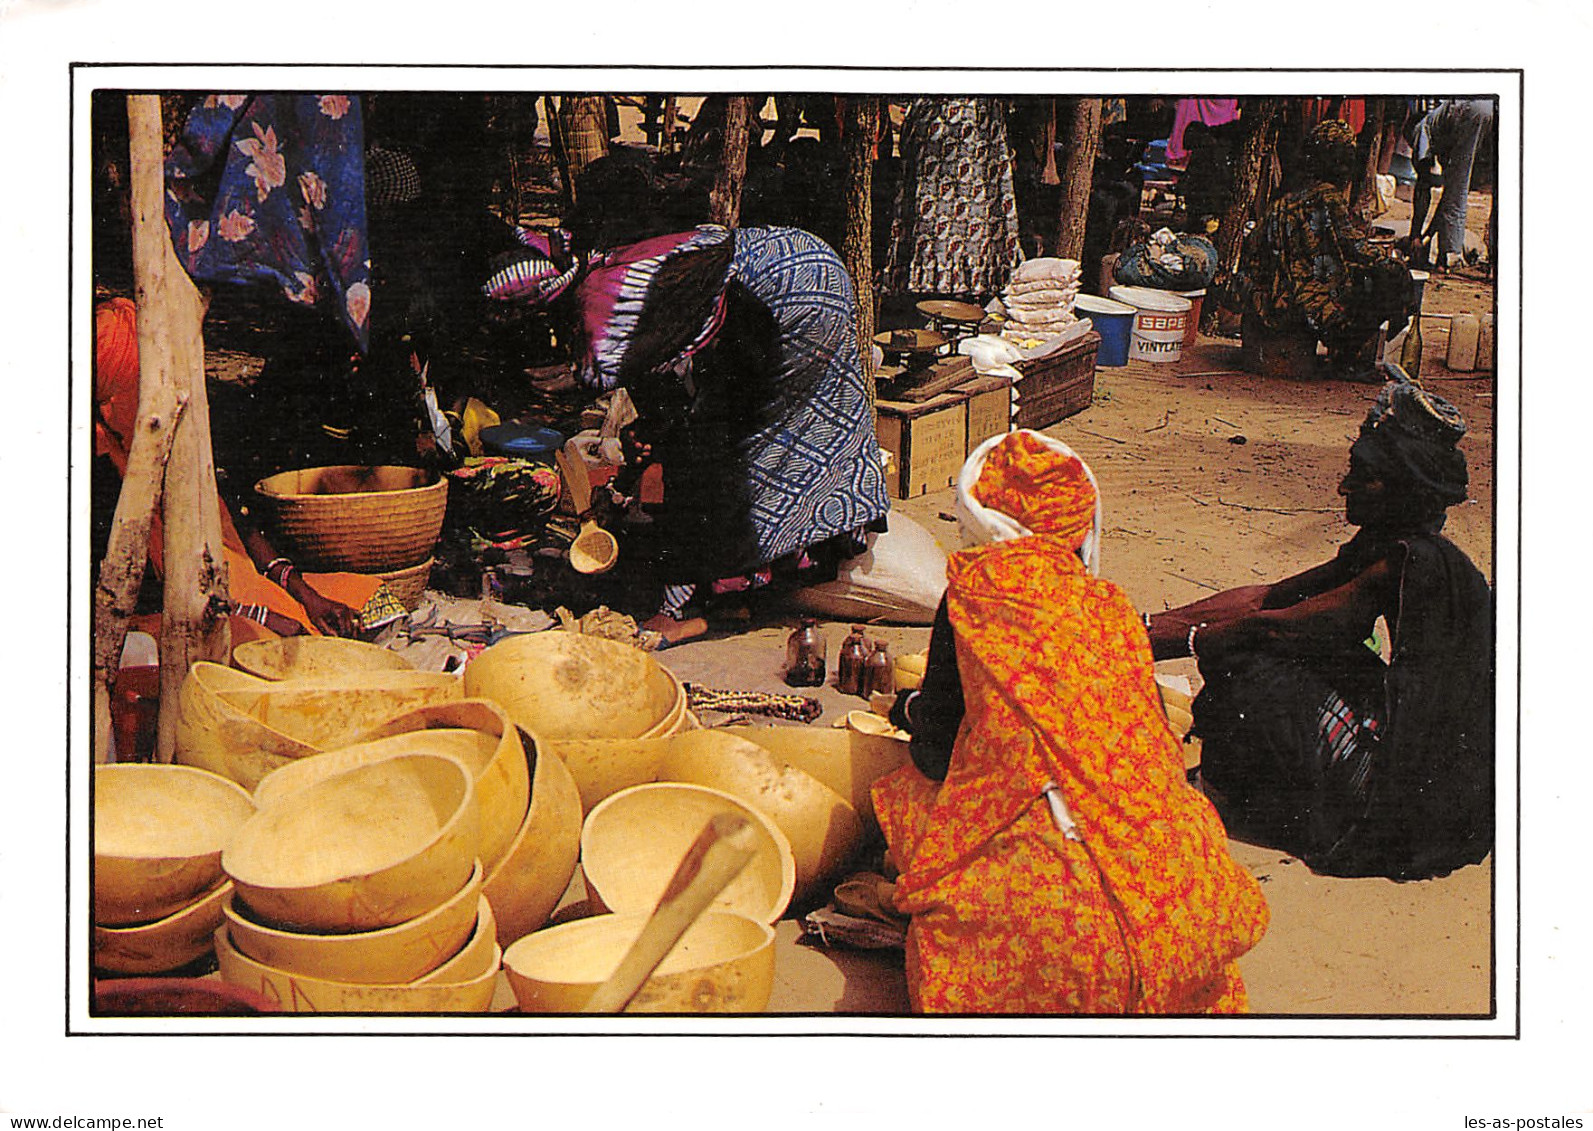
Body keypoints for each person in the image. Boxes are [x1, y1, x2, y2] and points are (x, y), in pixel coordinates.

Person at [870, 430, 1268, 1014]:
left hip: (1055, 954)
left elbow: (934, 751)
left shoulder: (972, 601)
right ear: (1083, 524)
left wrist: (908, 712)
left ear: (979, 519)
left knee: (904, 795)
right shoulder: (1113, 610)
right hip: (1184, 928)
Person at [483, 163, 890, 643]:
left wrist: (663, 442)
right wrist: (653, 433)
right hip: (802, 260)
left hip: (784, 297)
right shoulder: (588, 258)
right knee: (799, 425)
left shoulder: (606, 303)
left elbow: (687, 417)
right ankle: (824, 544)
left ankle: (689, 607)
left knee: (738, 446)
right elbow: (662, 382)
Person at [1147, 373, 1493, 880]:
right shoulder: (1387, 543)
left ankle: (1224, 795)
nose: (1345, 486)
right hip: (1430, 772)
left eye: (1364, 476)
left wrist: (1183, 640)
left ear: (1401, 487)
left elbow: (1272, 628)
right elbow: (1270, 594)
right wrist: (1149, 625)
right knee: (1263, 648)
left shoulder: (1413, 562)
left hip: (1419, 800)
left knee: (1253, 667)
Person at [93, 297, 405, 641]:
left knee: (375, 597)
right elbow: (143, 599)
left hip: (236, 587)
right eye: (142, 386)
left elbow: (239, 521)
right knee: (259, 643)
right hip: (179, 618)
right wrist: (257, 614)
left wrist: (307, 596)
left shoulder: (172, 435)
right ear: (108, 397)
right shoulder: (98, 474)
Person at [1232, 119, 1415, 381]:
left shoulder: (1286, 198)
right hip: (1300, 307)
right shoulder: (1327, 197)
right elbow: (1355, 249)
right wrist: (1394, 261)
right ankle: (1347, 360)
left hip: (1267, 300)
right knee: (1389, 275)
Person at [883, 97, 1021, 299]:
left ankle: (966, 287)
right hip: (940, 121)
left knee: (980, 208)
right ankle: (933, 290)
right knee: (930, 211)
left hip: (978, 125)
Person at [1405, 98, 1496, 273]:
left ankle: (1448, 259)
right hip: (1491, 108)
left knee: (1459, 188)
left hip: (1473, 110)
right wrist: (1427, 236)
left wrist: (1415, 236)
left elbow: (1423, 189)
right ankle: (1494, 261)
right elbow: (1448, 196)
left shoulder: (1421, 130)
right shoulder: (1445, 133)